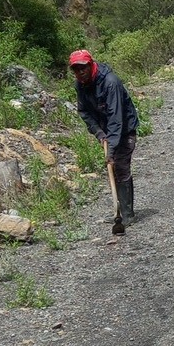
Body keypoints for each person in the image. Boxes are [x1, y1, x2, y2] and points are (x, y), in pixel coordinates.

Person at [69, 49, 139, 224]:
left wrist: (111, 149)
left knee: (120, 165)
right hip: (107, 130)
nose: (80, 72)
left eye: (83, 67)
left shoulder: (110, 83)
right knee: (113, 169)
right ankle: (119, 213)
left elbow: (116, 118)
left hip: (125, 129)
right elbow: (84, 111)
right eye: (76, 69)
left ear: (91, 65)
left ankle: (127, 215)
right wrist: (99, 133)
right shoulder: (80, 84)